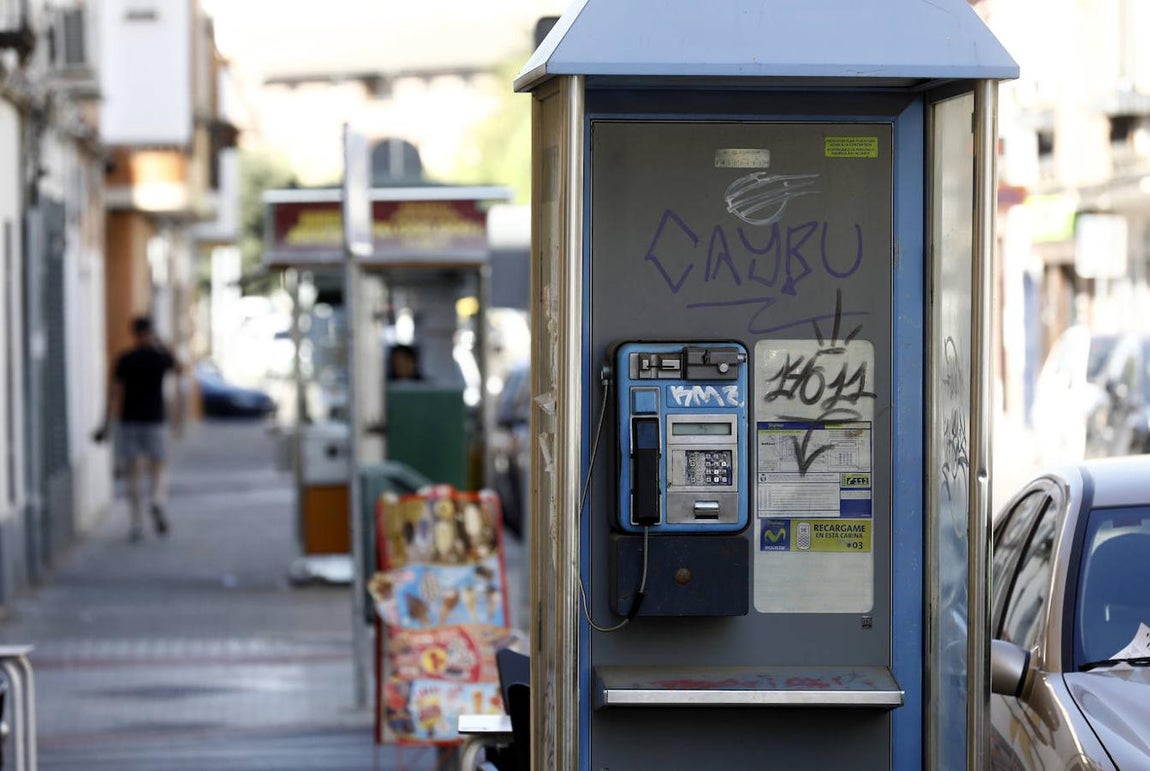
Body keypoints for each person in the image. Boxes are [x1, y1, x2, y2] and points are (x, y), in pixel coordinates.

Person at [94, 316, 183, 543]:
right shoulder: (160, 358)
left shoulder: (125, 359)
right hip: (155, 420)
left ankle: (136, 524)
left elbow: (114, 391)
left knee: (133, 473)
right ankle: (157, 499)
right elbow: (180, 368)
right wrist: (161, 343)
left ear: (134, 334)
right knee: (159, 467)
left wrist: (105, 423)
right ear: (150, 333)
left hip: (128, 421)